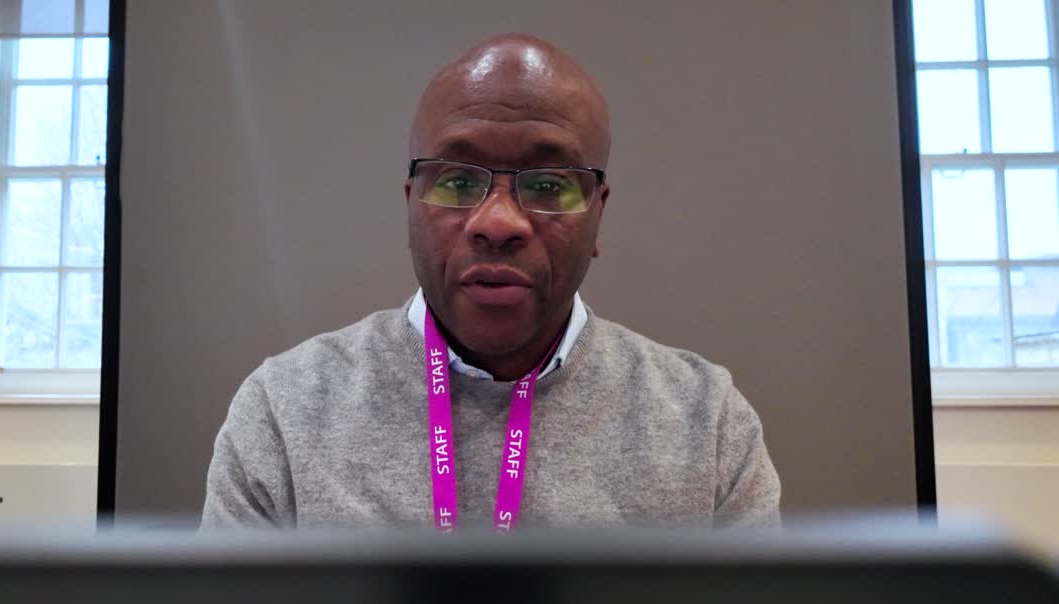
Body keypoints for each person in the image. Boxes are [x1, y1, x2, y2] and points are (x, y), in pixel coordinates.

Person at [203, 33, 780, 530]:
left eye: (550, 186)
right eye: (456, 181)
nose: (498, 222)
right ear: (411, 209)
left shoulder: (708, 426)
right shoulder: (283, 412)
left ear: (598, 215)